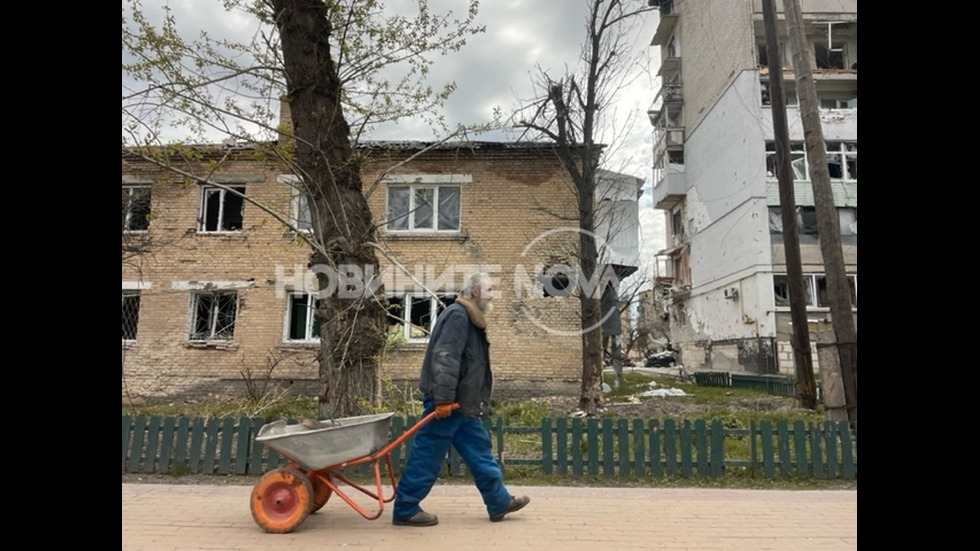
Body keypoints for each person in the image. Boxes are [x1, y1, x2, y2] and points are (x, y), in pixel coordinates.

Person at [392, 272, 530, 526]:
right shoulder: (458, 315)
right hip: (448, 403)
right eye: (489, 289)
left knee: (479, 452)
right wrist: (443, 399)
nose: (492, 294)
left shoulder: (469, 317)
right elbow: (445, 357)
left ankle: (498, 501)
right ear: (475, 292)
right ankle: (405, 508)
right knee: (428, 455)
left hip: (461, 404)